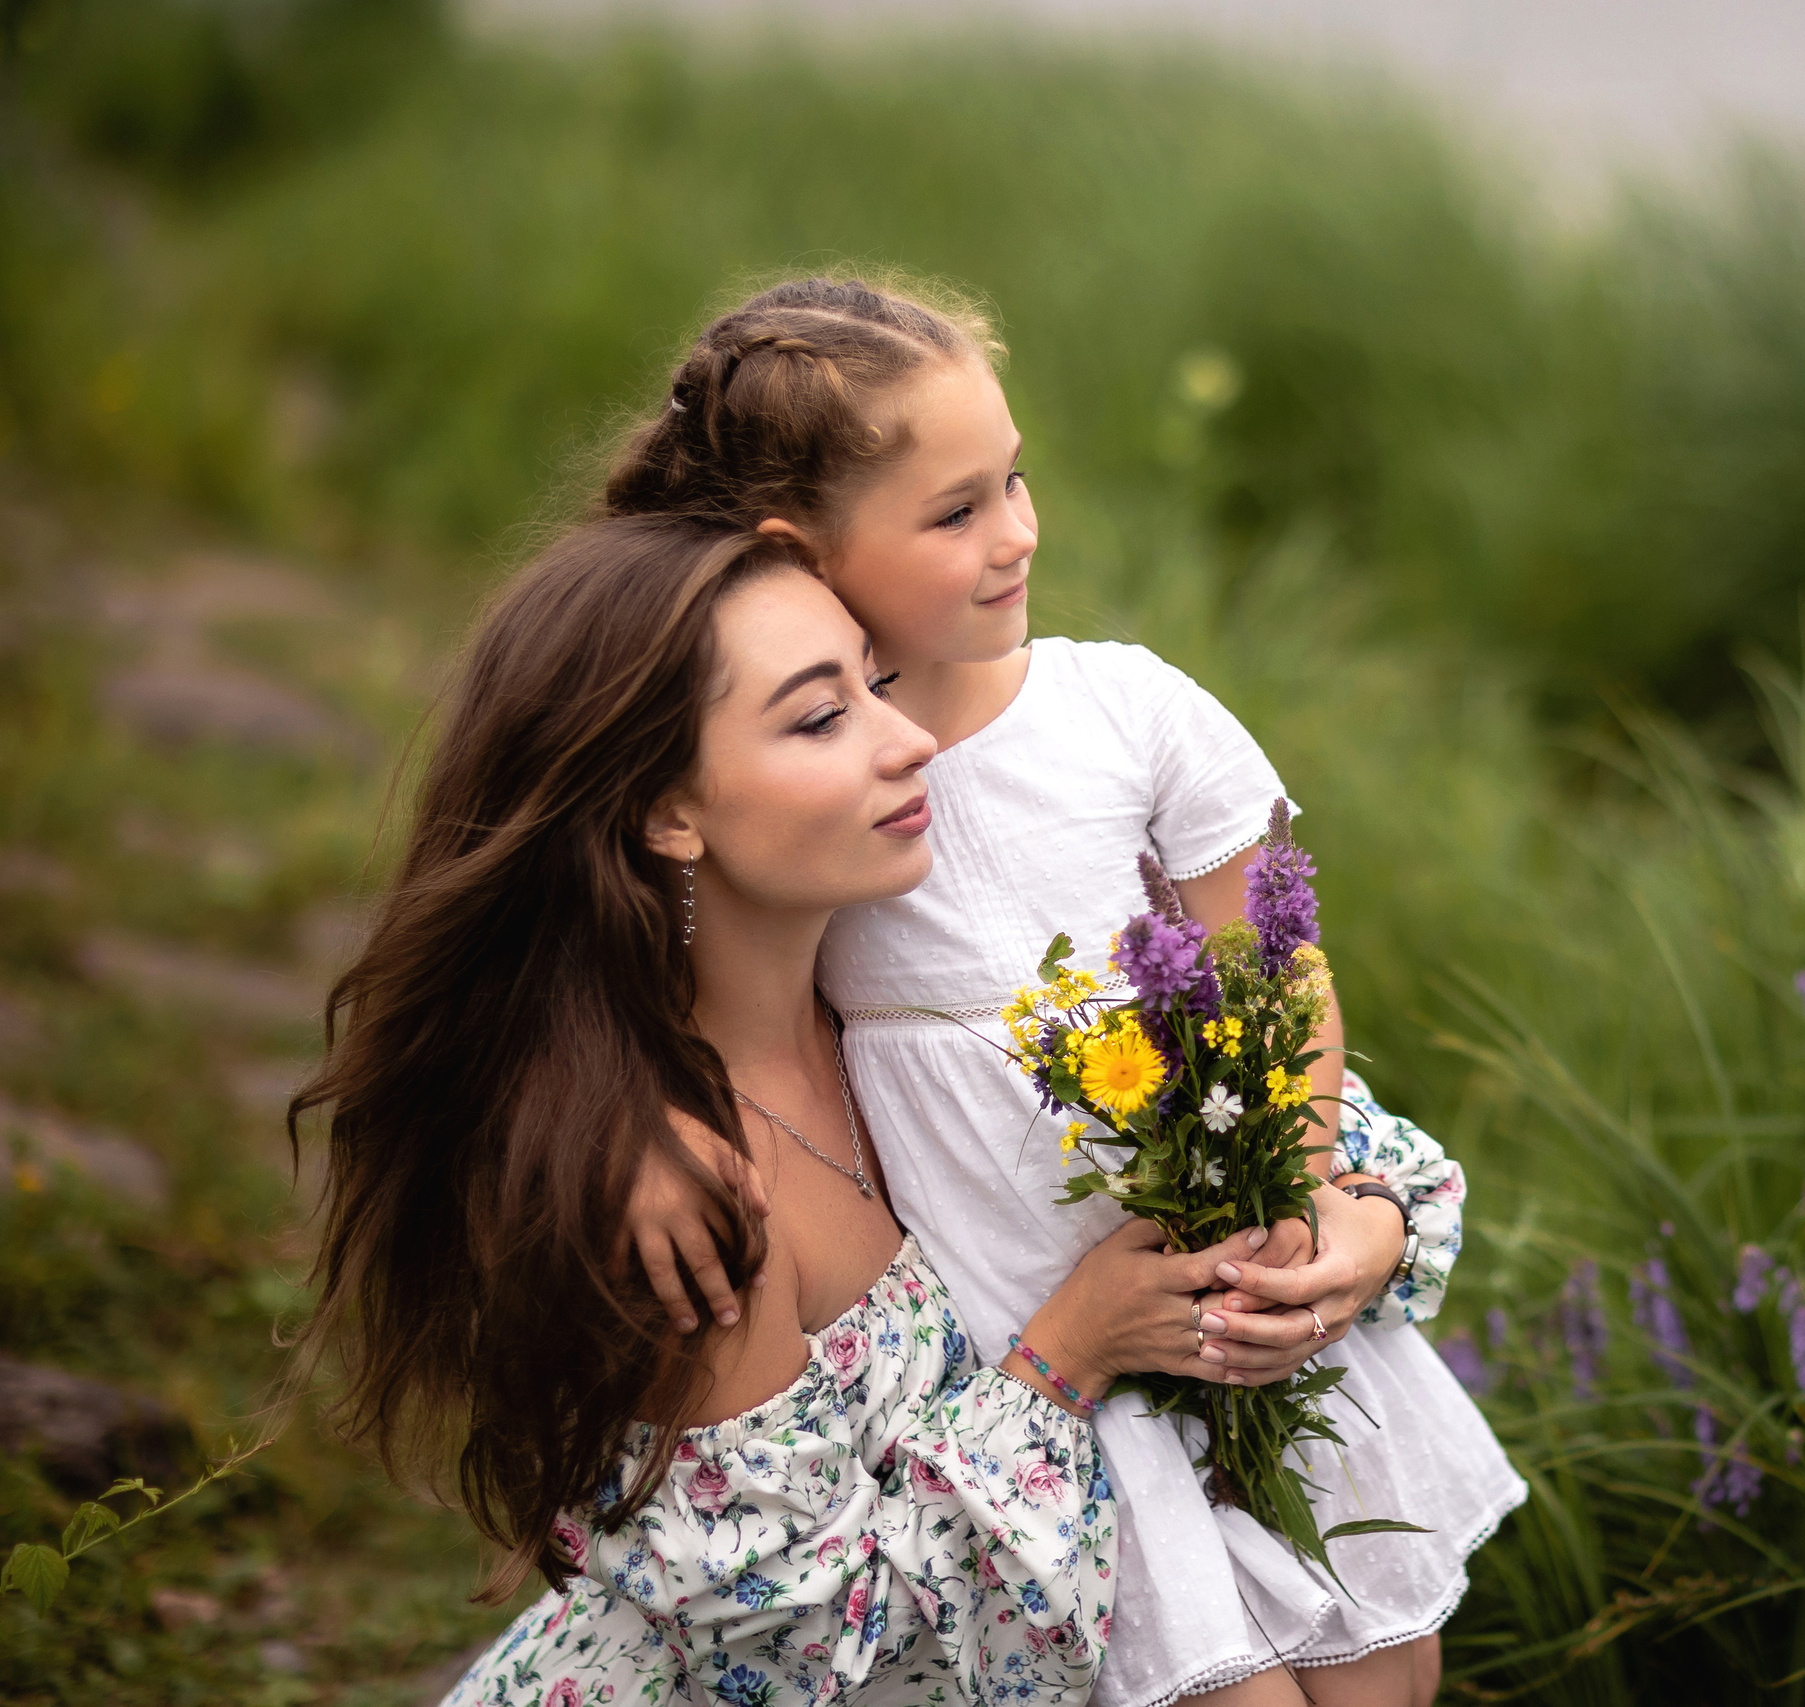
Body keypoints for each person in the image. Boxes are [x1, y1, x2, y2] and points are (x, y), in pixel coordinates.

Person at [601, 277, 1525, 1707]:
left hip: (1212, 1250)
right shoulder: (792, 799)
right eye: (957, 508)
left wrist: (1325, 1198)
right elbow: (625, 962)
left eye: (1015, 480)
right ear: (804, 545)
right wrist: (638, 1107)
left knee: (1386, 1661)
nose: (1021, 531)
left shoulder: (1115, 714)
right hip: (1031, 1339)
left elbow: (1271, 978)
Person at [292, 515, 1268, 1704]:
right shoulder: (679, 1202)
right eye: (821, 717)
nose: (909, 741)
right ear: (665, 812)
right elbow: (819, 1656)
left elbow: (1254, 1105)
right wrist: (1069, 1355)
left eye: (878, 683)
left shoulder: (893, 1018)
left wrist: (1370, 1213)